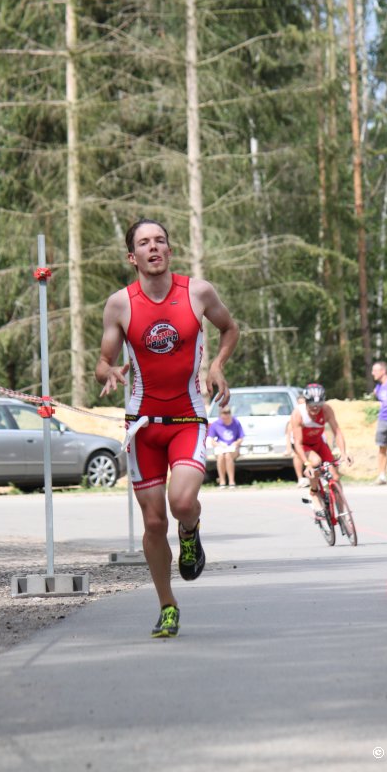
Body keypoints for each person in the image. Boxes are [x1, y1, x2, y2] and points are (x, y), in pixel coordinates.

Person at [95, 218, 239, 638]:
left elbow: (229, 328)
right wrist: (109, 371)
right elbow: (102, 361)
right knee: (154, 523)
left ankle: (190, 530)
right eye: (144, 243)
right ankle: (167, 605)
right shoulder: (119, 304)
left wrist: (216, 365)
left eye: (160, 241)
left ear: (170, 250)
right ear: (132, 256)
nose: (153, 247)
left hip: (187, 418)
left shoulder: (197, 292)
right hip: (143, 426)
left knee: (182, 501)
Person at [290, 383, 352, 515]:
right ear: (306, 402)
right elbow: (298, 443)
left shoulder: (327, 410)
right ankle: (313, 492)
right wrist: (307, 464)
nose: (315, 408)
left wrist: (343, 453)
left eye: (318, 405)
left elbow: (337, 431)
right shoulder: (298, 414)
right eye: (312, 405)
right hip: (303, 445)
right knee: (316, 462)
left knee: (335, 477)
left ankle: (342, 515)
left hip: (319, 443)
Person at [208, 405, 244, 489]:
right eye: (224, 414)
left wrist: (236, 443)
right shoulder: (215, 424)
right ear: (220, 415)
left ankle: (231, 482)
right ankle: (222, 481)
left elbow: (241, 438)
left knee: (228, 455)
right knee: (221, 456)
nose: (226, 416)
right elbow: (212, 441)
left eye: (228, 413)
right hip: (221, 447)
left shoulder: (236, 422)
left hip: (233, 448)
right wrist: (219, 445)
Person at [285, 394, 307, 487]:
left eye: (304, 403)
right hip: (297, 440)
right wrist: (288, 447)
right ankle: (300, 478)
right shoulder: (295, 414)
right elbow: (288, 432)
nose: (302, 406)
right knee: (297, 456)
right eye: (300, 404)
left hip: (309, 439)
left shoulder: (312, 413)